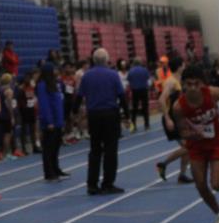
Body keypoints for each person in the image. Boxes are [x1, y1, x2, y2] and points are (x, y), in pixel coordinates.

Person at [172, 65, 219, 223]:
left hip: (216, 143)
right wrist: (194, 134)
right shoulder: (179, 107)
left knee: (217, 185)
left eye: (197, 84)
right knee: (200, 185)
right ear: (183, 84)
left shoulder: (212, 93)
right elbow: (182, 132)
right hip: (196, 147)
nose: (193, 88)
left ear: (202, 83)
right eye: (189, 84)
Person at [78, 48, 126, 195]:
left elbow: (79, 96)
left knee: (95, 150)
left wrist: (73, 112)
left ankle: (92, 184)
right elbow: (121, 96)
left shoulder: (86, 76)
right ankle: (108, 183)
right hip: (110, 114)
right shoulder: (113, 75)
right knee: (111, 150)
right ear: (106, 60)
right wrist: (128, 114)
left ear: (93, 60)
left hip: (94, 116)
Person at [155, 57, 193, 184]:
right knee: (189, 146)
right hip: (172, 118)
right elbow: (161, 99)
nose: (185, 66)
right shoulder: (171, 82)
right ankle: (163, 164)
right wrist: (167, 118)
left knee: (187, 147)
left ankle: (182, 175)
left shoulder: (178, 80)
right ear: (179, 66)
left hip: (179, 117)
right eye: (183, 64)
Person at [37, 62, 68, 181]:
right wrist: (49, 121)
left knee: (56, 147)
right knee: (49, 148)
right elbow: (44, 105)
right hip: (50, 122)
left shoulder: (54, 84)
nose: (56, 71)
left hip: (58, 120)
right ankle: (49, 172)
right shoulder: (42, 85)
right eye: (53, 69)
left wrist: (61, 120)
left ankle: (56, 168)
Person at [16, 71, 40, 155]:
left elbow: (34, 98)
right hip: (24, 112)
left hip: (32, 111)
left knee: (33, 130)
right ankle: (23, 149)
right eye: (26, 79)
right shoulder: (21, 89)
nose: (28, 80)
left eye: (29, 79)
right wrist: (24, 108)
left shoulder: (32, 88)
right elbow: (19, 102)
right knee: (23, 131)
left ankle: (34, 146)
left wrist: (34, 105)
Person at [126, 59, 151, 131]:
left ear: (134, 63)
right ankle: (147, 125)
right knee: (145, 108)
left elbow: (129, 80)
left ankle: (133, 126)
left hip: (135, 91)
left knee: (134, 109)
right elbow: (148, 79)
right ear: (140, 63)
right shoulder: (144, 70)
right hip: (144, 90)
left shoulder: (131, 71)